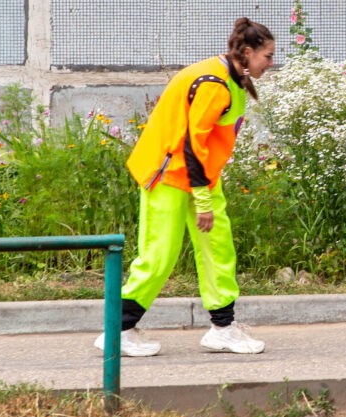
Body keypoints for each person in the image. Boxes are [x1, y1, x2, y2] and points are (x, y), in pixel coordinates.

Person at [94, 18, 275, 357]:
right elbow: (192, 145)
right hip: (170, 175)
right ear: (247, 53)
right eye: (267, 56)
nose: (271, 63)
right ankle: (117, 331)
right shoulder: (214, 84)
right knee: (159, 254)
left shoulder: (232, 78)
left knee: (218, 248)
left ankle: (223, 328)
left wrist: (206, 190)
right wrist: (203, 200)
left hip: (200, 176)